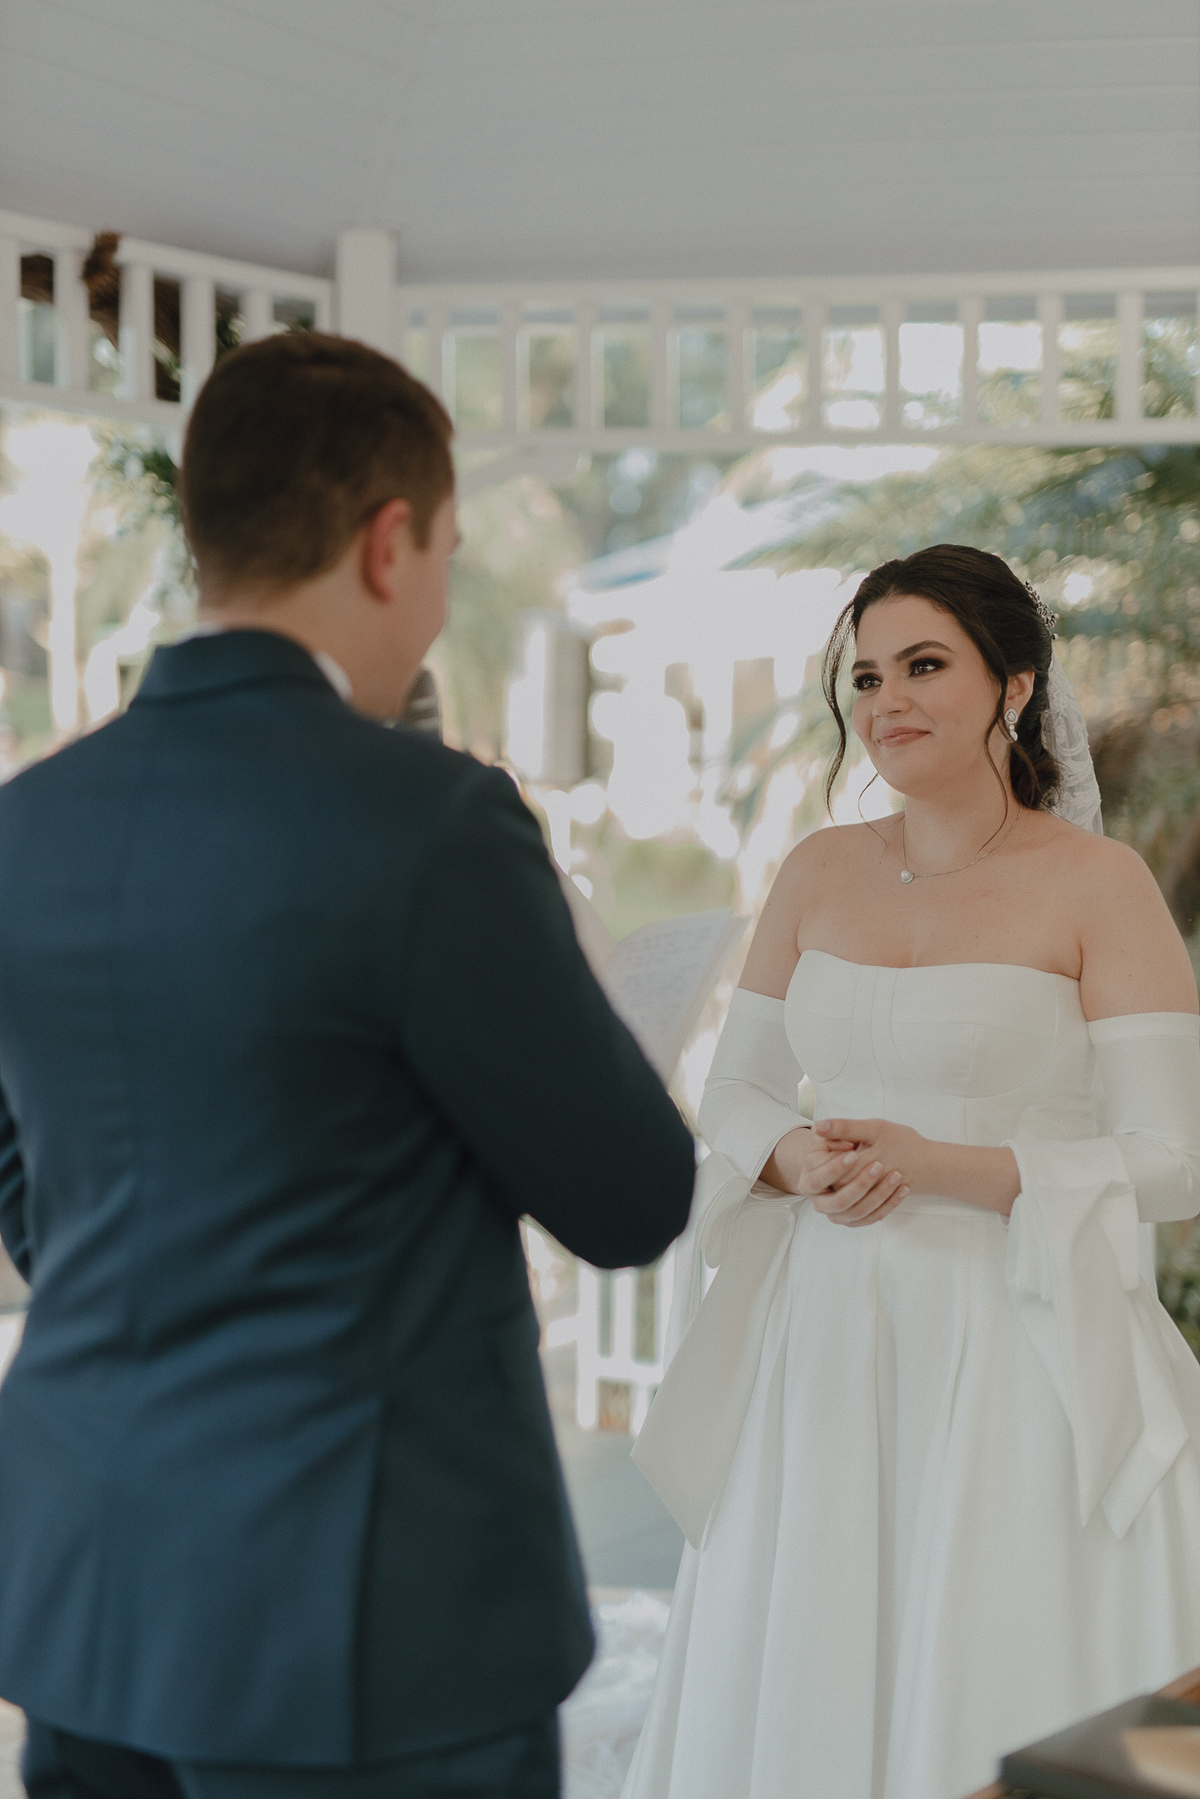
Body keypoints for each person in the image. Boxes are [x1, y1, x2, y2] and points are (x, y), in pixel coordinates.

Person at [0, 332, 695, 1799]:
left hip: (90, 1592)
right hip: (369, 1623)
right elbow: (631, 1194)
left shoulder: (27, 825)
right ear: (392, 543)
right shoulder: (432, 823)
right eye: (445, 553)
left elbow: (23, 1172)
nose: (441, 600)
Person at [624, 545, 1200, 1799]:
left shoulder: (1099, 885)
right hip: (826, 1343)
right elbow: (736, 1087)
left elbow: (1176, 1159)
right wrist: (787, 1154)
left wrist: (947, 1164)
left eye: (924, 664)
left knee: (1008, 1654)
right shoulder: (816, 870)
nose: (886, 699)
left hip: (1018, 1343)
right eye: (867, 673)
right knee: (822, 1655)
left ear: (1014, 683)